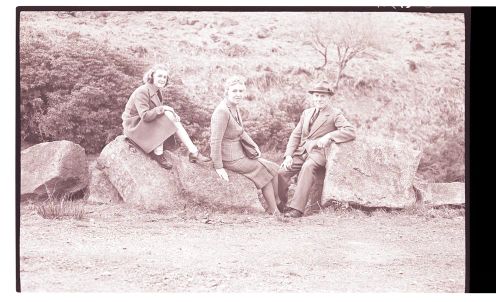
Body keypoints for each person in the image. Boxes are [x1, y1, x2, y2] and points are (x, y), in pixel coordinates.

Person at [278, 80, 356, 218]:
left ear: (329, 97)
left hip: (319, 153)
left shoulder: (335, 113)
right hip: (301, 152)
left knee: (307, 168)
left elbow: (350, 131)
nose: (319, 99)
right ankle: (281, 205)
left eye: (322, 96)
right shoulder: (306, 113)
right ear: (312, 97)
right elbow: (295, 135)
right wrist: (289, 155)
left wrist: (330, 136)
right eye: (316, 96)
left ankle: (296, 209)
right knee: (282, 171)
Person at [210, 76, 281, 214]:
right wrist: (218, 166)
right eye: (234, 91)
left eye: (241, 91)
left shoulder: (234, 107)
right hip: (230, 159)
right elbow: (215, 140)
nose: (238, 94)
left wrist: (254, 146)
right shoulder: (222, 111)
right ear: (227, 92)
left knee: (274, 168)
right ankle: (274, 211)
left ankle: (278, 202)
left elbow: (240, 131)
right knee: (265, 172)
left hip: (240, 153)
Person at [122, 64, 210, 169]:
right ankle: (158, 154)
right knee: (167, 115)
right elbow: (145, 116)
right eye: (159, 76)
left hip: (144, 124)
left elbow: (157, 113)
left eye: (165, 77)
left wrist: (170, 111)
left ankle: (193, 151)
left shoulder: (157, 90)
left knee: (170, 116)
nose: (162, 79)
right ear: (152, 76)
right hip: (134, 127)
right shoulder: (143, 90)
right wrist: (165, 108)